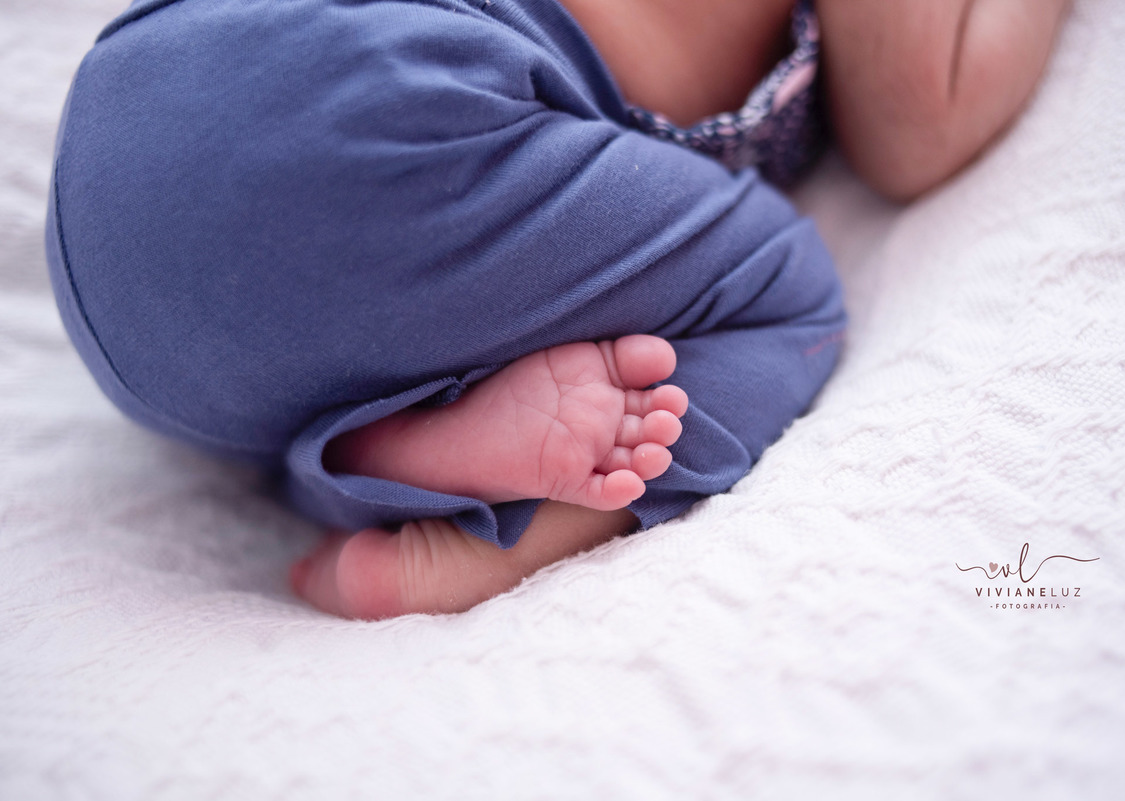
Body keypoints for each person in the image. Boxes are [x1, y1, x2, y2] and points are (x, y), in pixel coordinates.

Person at [46, 0, 1069, 618]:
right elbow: (920, 120)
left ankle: (389, 444)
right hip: (392, 99)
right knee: (785, 300)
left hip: (131, 138)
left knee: (332, 317)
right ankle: (506, 524)